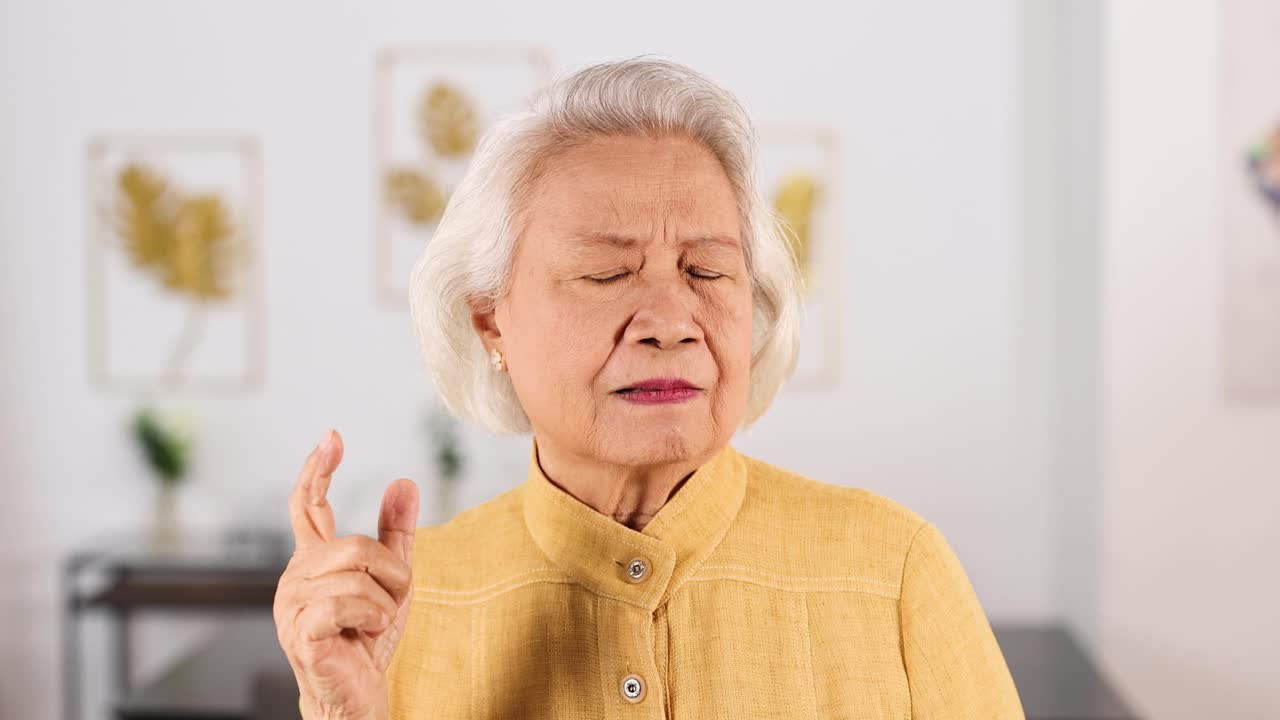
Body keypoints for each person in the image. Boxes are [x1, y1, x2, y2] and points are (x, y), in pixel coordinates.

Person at [273, 57, 1024, 719]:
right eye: (605, 273)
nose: (672, 322)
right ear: (490, 320)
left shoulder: (893, 571)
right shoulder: (400, 611)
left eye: (707, 272)